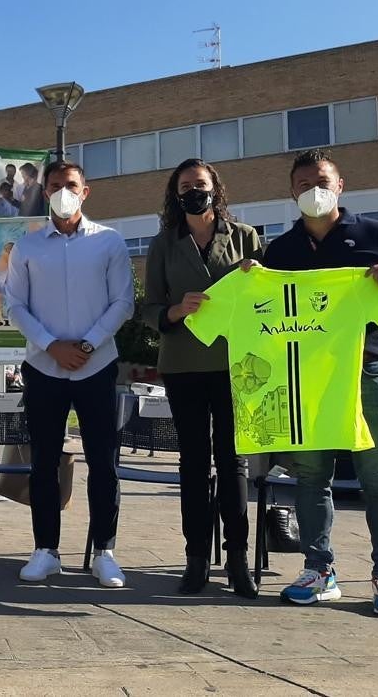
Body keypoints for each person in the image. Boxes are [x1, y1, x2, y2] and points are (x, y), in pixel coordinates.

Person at [258, 149, 378, 617]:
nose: (315, 188)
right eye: (304, 182)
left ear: (340, 185)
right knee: (311, 476)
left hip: (367, 371)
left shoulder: (375, 234)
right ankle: (319, 568)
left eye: (323, 180)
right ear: (292, 192)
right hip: (306, 376)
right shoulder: (282, 248)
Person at [1, 160, 134, 588]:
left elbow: (123, 303)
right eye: (55, 185)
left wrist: (87, 345)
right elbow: (15, 305)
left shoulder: (109, 242)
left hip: (96, 366)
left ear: (85, 191)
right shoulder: (28, 247)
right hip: (44, 367)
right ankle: (46, 550)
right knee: (43, 462)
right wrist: (51, 345)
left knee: (103, 462)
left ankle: (104, 551)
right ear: (46, 192)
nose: (62, 191)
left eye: (70, 185)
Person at [142, 159, 261, 598]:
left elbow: (266, 298)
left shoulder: (246, 237)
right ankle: (195, 560)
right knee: (192, 463)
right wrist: (175, 310)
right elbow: (149, 309)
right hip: (183, 365)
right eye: (186, 185)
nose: (195, 190)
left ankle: (237, 561)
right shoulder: (163, 245)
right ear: (176, 194)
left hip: (237, 365)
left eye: (202, 184)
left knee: (233, 464)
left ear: (216, 189)